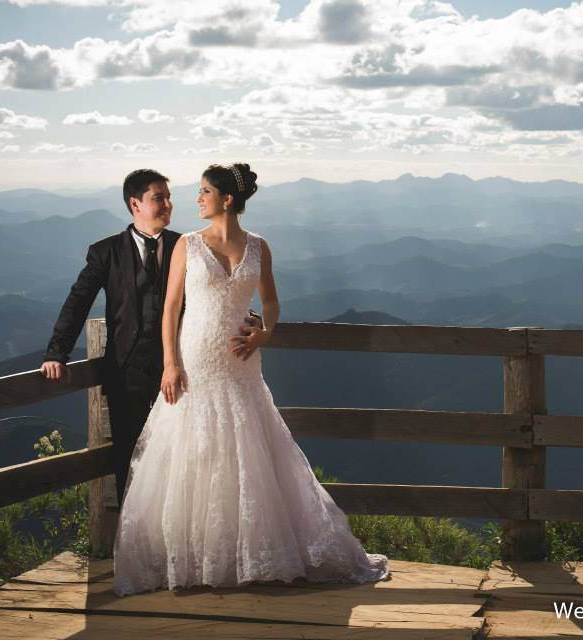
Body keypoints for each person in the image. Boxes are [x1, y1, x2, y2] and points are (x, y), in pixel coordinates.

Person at [111, 163, 388, 596]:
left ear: (226, 200)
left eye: (204, 191)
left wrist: (266, 333)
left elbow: (272, 300)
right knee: (196, 452)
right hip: (195, 363)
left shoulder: (259, 247)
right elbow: (170, 308)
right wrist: (170, 363)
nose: (196, 199)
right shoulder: (187, 244)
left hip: (241, 365)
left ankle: (249, 553)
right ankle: (197, 555)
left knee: (247, 450)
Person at [41, 169, 259, 507]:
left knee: (183, 462)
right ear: (135, 203)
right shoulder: (105, 252)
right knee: (130, 461)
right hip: (126, 374)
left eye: (168, 197)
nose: (169, 205)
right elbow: (77, 302)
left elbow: (221, 292)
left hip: (185, 373)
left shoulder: (188, 245)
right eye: (160, 198)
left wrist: (250, 319)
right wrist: (57, 352)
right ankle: (135, 548)